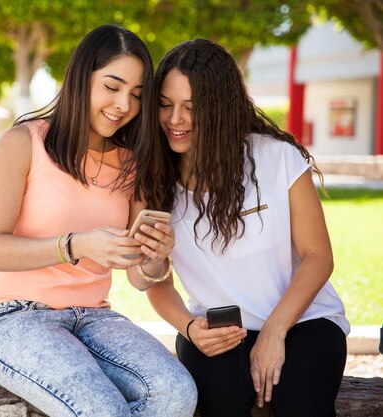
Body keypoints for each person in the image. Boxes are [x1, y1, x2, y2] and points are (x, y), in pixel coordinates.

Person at [0, 25, 197, 417]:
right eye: (112, 86)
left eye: (137, 95)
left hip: (97, 317)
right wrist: (76, 245)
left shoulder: (133, 163)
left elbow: (140, 277)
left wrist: (155, 258)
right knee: (102, 410)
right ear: (82, 78)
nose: (123, 105)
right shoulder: (24, 143)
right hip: (16, 318)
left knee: (177, 394)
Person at [144, 38, 350, 417]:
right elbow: (155, 284)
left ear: (221, 108)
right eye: (166, 105)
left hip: (303, 319)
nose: (175, 120)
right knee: (223, 403)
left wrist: (274, 332)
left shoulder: (276, 157)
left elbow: (318, 256)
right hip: (214, 329)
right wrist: (191, 329)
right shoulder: (154, 179)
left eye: (191, 108)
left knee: (301, 405)